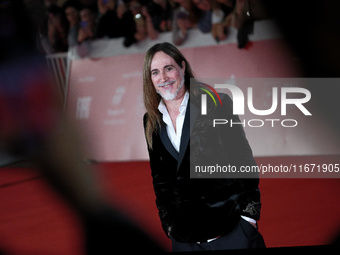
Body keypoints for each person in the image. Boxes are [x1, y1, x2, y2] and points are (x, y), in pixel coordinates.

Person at [142, 42, 265, 252]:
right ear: (149, 79)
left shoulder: (216, 103)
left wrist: (248, 217)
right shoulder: (151, 120)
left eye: (168, 68)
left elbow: (242, 161)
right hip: (184, 239)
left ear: (182, 67)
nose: (163, 78)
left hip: (230, 231)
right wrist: (169, 226)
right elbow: (160, 179)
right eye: (155, 72)